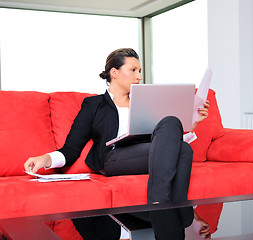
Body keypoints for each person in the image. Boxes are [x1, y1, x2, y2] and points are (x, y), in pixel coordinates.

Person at [24, 48, 211, 240]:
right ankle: (162, 206)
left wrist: (193, 123)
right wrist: (46, 159)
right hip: (113, 157)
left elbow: (165, 142)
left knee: (179, 138)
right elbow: (71, 148)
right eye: (133, 70)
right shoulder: (94, 104)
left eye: (140, 71)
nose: (139, 76)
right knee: (181, 146)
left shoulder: (147, 102)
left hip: (149, 153)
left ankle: (175, 213)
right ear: (114, 73)